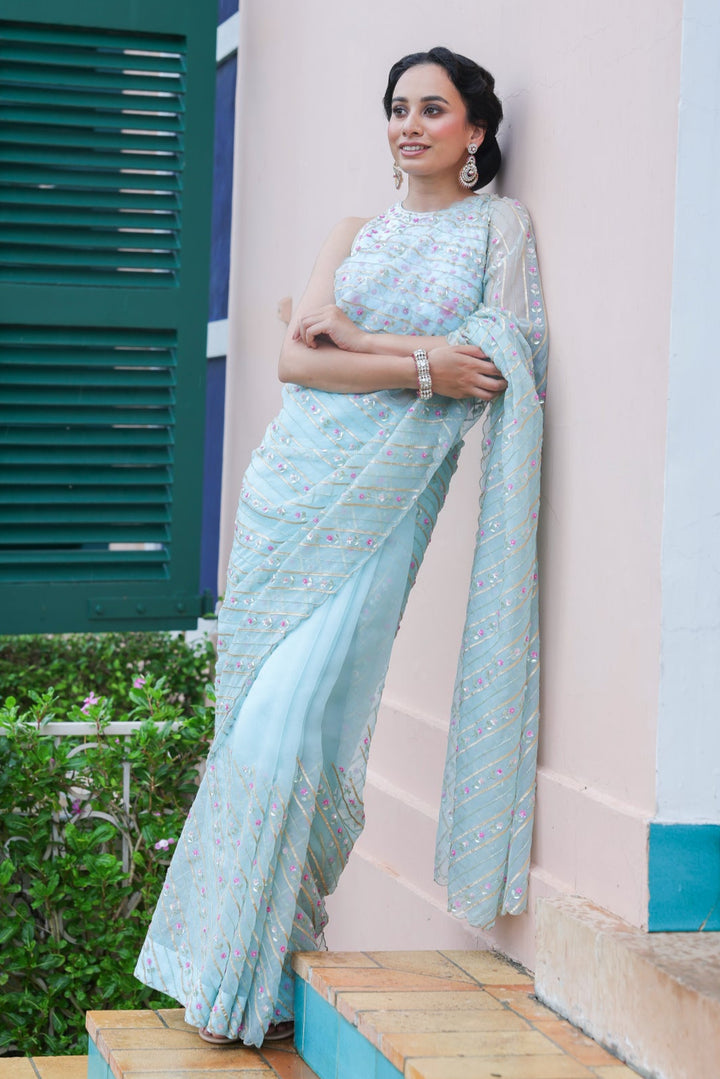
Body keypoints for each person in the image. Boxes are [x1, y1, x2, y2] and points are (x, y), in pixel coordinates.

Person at [135, 46, 547, 1048]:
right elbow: (289, 356)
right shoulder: (352, 230)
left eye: (433, 109)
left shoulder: (499, 229)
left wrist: (346, 340)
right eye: (397, 108)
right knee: (266, 716)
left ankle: (272, 945)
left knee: (301, 719)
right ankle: (247, 969)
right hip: (293, 491)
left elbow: (494, 362)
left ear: (475, 132)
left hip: (386, 503)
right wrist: (411, 359)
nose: (409, 125)